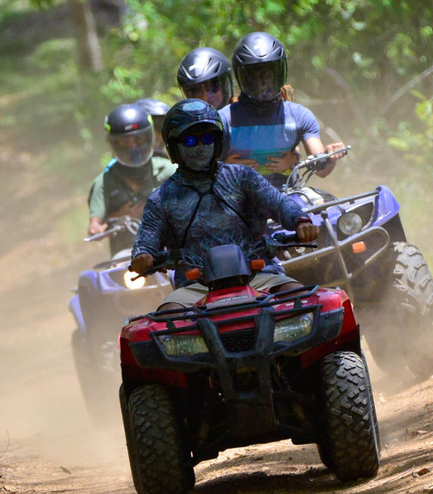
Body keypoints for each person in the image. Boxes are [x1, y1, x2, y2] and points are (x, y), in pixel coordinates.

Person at [130, 99, 319, 310]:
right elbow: (146, 240)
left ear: (218, 142)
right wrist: (142, 255)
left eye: (207, 138)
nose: (201, 146)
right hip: (194, 288)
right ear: (174, 148)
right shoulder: (162, 198)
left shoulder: (243, 176)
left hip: (259, 274)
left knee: (308, 304)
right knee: (164, 324)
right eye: (191, 140)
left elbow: (280, 203)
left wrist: (301, 221)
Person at [221, 32, 346, 190]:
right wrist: (225, 167)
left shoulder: (300, 116)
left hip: (288, 199)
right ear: (242, 77)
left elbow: (320, 168)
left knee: (322, 205)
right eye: (255, 76)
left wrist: (329, 158)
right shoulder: (223, 119)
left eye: (268, 75)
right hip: (238, 201)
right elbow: (201, 171)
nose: (263, 83)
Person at [88, 103, 176, 254]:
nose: (133, 147)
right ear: (114, 144)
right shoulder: (103, 182)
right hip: (127, 260)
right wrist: (120, 217)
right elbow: (94, 227)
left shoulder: (169, 170)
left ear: (150, 138)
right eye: (124, 142)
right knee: (90, 278)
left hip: (169, 251)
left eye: (138, 140)